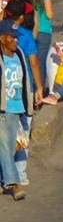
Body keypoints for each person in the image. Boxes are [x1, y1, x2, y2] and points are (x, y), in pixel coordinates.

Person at [0, 19, 34, 200]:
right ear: (2, 38)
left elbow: (25, 78)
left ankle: (2, 180)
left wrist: (29, 104)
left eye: (16, 37)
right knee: (5, 146)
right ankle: (14, 184)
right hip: (2, 109)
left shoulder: (19, 53)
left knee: (11, 146)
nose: (16, 41)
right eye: (12, 37)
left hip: (16, 108)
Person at [20, 0, 53, 91]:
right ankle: (39, 95)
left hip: (26, 30)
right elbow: (50, 14)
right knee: (41, 64)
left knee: (28, 63)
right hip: (44, 30)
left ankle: (29, 93)